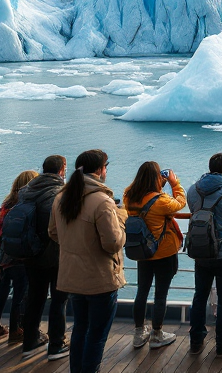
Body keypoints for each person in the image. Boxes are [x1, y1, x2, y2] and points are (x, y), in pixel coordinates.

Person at [49, 149, 127, 373]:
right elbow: (112, 243)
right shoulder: (102, 201)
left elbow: (53, 232)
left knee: (80, 329)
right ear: (100, 170)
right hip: (100, 278)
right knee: (97, 335)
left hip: (72, 277)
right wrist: (121, 220)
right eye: (106, 166)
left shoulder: (61, 197)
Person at [186, 152, 222, 356]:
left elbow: (194, 212)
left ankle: (195, 342)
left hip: (201, 252)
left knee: (199, 296)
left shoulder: (192, 190)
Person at [123, 161, 185, 350]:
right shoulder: (161, 201)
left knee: (141, 292)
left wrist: (158, 185)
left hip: (143, 251)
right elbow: (180, 203)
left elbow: (142, 196)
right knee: (160, 295)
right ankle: (157, 334)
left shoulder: (129, 195)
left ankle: (138, 332)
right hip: (163, 252)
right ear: (157, 177)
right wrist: (174, 183)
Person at [19, 155, 70, 361]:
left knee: (35, 297)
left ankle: (29, 342)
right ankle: (56, 345)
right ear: (62, 170)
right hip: (55, 253)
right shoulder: (61, 193)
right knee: (59, 299)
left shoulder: (26, 191)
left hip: (30, 252)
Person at [0, 170, 37, 345]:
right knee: (20, 294)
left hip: (2, 254)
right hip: (19, 256)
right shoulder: (27, 205)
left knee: (1, 292)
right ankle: (15, 330)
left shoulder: (6, 204)